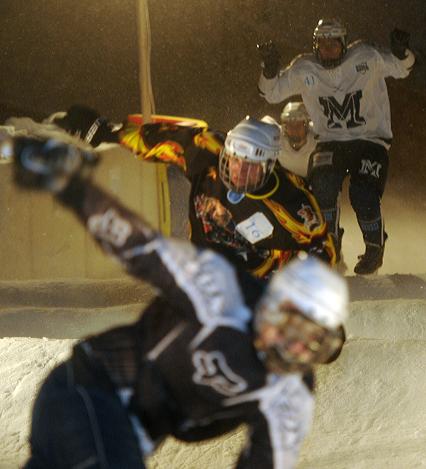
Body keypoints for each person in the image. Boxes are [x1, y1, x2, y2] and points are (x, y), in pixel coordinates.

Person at [5, 134, 349, 469]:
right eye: (295, 330)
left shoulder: (291, 394)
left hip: (131, 434)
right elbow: (137, 246)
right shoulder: (220, 287)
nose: (296, 353)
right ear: (274, 306)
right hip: (90, 390)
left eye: (313, 348)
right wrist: (71, 187)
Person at [51, 105, 336, 278]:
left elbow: (322, 247)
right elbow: (156, 140)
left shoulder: (291, 200)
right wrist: (104, 131)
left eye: (251, 168)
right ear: (226, 153)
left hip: (261, 277)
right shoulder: (207, 149)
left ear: (270, 165)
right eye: (235, 162)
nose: (239, 174)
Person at [257, 19, 415, 274]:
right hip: (330, 141)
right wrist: (270, 69)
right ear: (315, 45)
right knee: (322, 186)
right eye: (323, 43)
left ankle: (374, 246)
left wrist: (401, 52)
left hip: (370, 140)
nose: (328, 48)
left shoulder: (365, 56)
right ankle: (330, 246)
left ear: (344, 43)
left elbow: (401, 68)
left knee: (363, 193)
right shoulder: (304, 68)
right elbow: (271, 93)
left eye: (333, 43)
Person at [278, 101, 316, 179]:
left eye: (298, 125)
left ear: (306, 126)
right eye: (290, 125)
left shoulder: (317, 139)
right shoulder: (276, 139)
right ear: (285, 127)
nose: (294, 130)